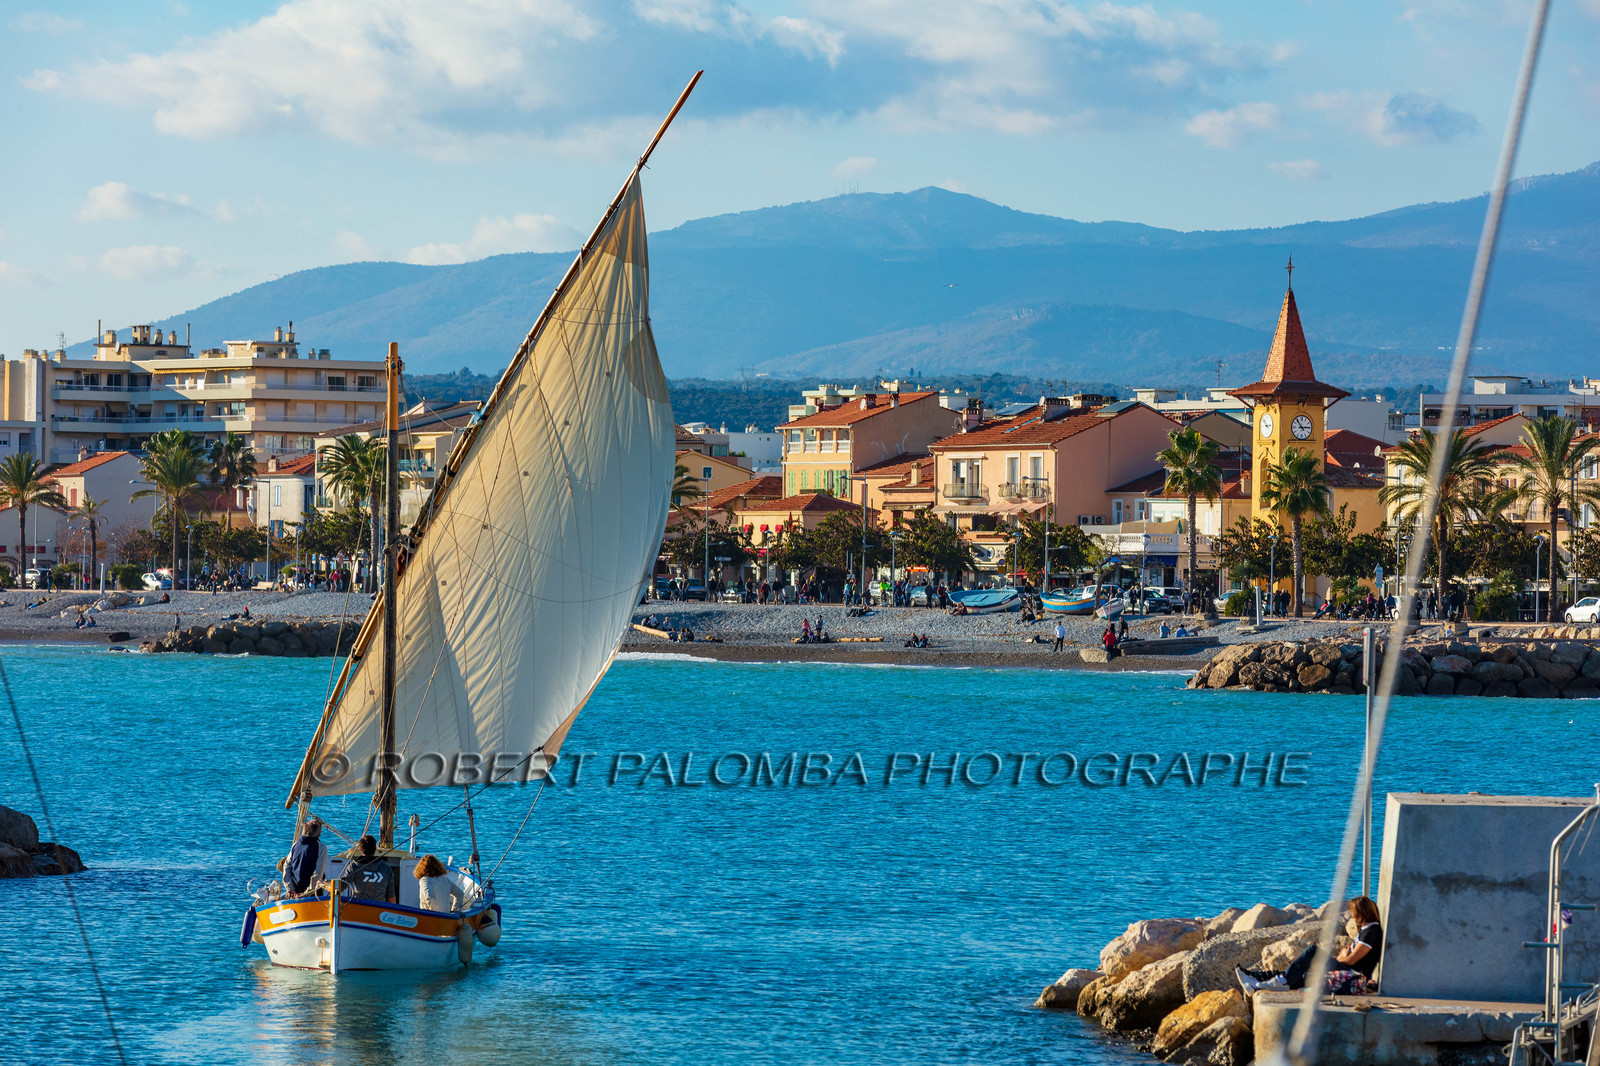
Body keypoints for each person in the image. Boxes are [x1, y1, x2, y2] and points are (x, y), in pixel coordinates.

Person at [1237, 896, 1383, 995]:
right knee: (1301, 975)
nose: (1351, 916)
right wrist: (1343, 955)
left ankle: (1278, 981)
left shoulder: (1372, 932)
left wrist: (1342, 957)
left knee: (1313, 950)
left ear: (1362, 914)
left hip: (1353, 975)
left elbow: (1351, 961)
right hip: (1346, 970)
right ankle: (1256, 981)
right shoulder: (1365, 930)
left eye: (1353, 913)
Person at [346, 834, 398, 904]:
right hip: (380, 909)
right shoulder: (386, 868)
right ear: (375, 848)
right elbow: (391, 896)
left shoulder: (354, 866)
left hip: (360, 907)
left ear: (360, 849)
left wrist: (326, 884)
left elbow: (340, 887)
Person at [284, 817, 328, 896]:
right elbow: (318, 873)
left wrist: (290, 889)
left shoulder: (295, 845)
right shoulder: (321, 847)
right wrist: (306, 893)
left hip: (294, 891)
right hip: (312, 894)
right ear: (319, 833)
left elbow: (286, 867)